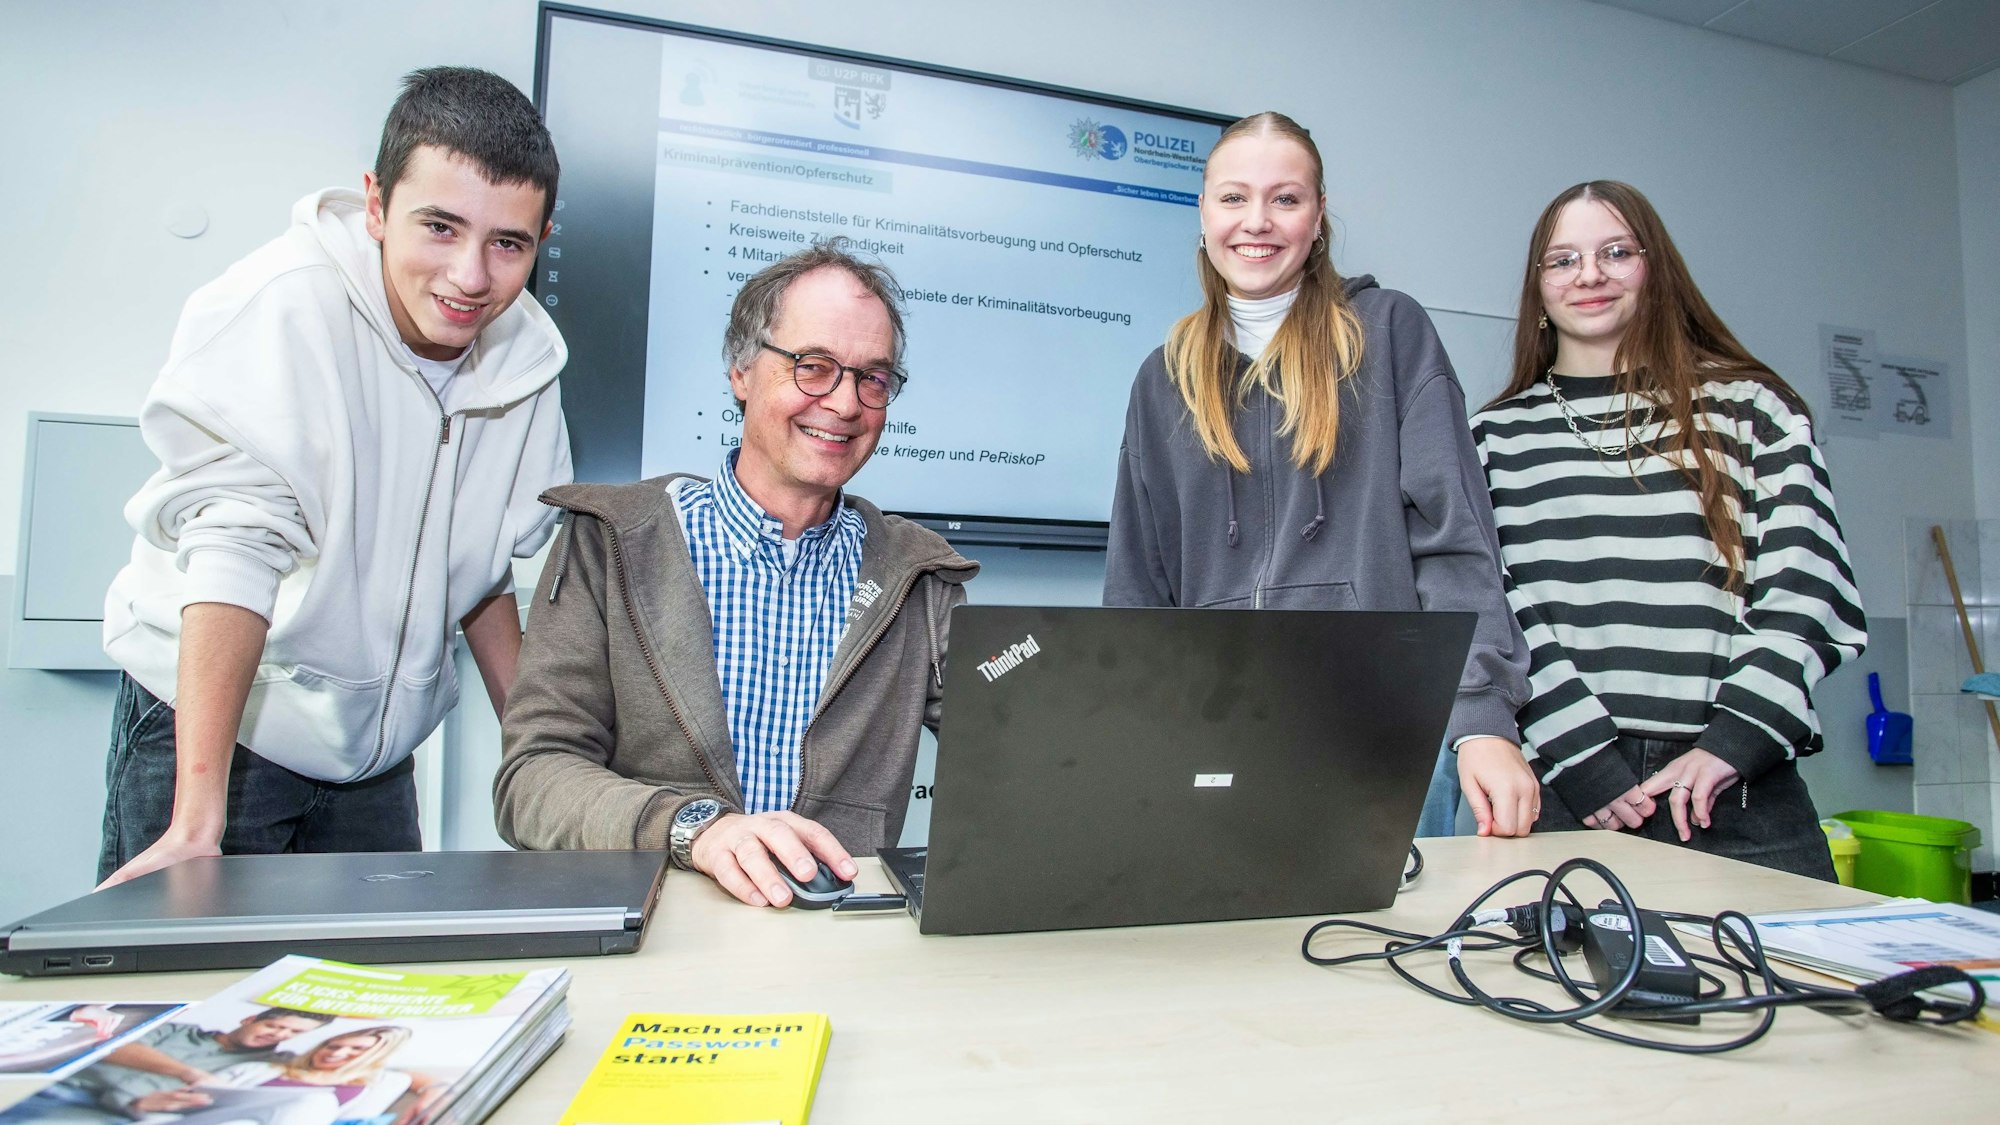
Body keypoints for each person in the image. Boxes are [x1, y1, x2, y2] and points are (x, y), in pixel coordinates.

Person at [97, 67, 570, 887]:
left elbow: (481, 568)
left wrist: (540, 759)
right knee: (197, 965)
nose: (470, 276)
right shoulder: (283, 307)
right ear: (377, 205)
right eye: (440, 227)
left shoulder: (527, 357)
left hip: (373, 759)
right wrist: (197, 819)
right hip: (222, 735)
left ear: (541, 238)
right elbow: (237, 550)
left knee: (373, 970)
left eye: (508, 244)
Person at [494, 239, 977, 908]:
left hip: (840, 941)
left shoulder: (919, 577)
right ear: (742, 371)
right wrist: (694, 828)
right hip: (658, 928)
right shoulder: (612, 541)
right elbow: (533, 779)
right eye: (813, 367)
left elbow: (1023, 751)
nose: (845, 403)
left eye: (872, 378)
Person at [1103, 112, 1540, 837]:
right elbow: (1137, 589)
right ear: (1204, 212)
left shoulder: (1390, 332)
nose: (1257, 221)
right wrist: (1134, 734)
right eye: (1234, 198)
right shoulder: (1163, 378)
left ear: (1318, 216)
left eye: (1286, 198)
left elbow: (1455, 542)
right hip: (1216, 737)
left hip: (1383, 733)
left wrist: (1483, 716)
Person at [1471, 181, 1866, 878]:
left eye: (1616, 252)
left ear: (1657, 267)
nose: (1589, 275)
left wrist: (1732, 744)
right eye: (1563, 260)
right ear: (1538, 286)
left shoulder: (1754, 411)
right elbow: (1488, 607)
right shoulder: (1491, 438)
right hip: (1566, 789)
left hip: (1738, 790)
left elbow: (1807, 587)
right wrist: (1584, 759)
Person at [12, 1009, 331, 1121]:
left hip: (110, 1114)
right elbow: (111, 1048)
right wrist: (186, 1072)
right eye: (276, 1026)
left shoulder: (271, 1065)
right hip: (59, 1085)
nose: (280, 1035)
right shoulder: (178, 1029)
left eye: (293, 1033)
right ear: (250, 1019)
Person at [206, 1025, 422, 1124]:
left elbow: (420, 1078)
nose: (336, 1053)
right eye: (332, 1046)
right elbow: (204, 1092)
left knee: (316, 1102)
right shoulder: (257, 1069)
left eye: (357, 1049)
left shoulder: (381, 1083)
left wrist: (434, 1090)